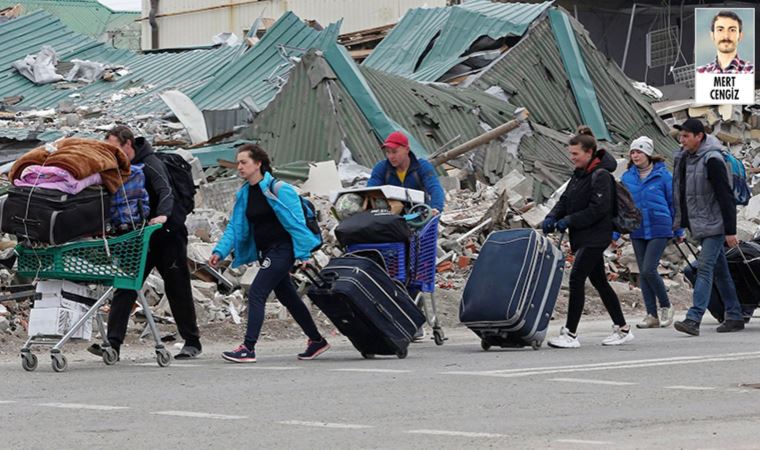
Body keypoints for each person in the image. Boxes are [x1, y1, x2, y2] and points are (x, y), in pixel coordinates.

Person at [89, 125, 202, 360]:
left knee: (177, 286)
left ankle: (192, 341)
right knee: (127, 285)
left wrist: (162, 216)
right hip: (138, 237)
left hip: (166, 234)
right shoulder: (121, 168)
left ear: (128, 144)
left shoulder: (151, 163)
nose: (112, 154)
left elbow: (166, 191)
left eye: (114, 148)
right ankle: (113, 344)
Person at [209, 144, 329, 363]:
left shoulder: (279, 189)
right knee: (288, 297)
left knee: (256, 293)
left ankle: (248, 347)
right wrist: (220, 250)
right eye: (238, 162)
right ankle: (317, 340)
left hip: (283, 250)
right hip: (266, 252)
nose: (239, 167)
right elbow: (235, 227)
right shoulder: (245, 193)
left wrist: (303, 255)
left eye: (244, 162)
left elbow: (297, 224)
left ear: (258, 164)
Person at [542, 126, 633, 348]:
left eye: (576, 154)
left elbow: (598, 210)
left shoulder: (601, 176)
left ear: (589, 152)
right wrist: (552, 217)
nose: (572, 158)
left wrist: (569, 220)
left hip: (596, 236)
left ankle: (570, 334)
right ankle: (623, 329)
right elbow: (565, 200)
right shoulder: (579, 175)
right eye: (571, 153)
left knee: (576, 279)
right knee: (599, 282)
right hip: (583, 236)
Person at [672, 118, 745, 336]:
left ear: (699, 137)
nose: (682, 140)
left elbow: (726, 197)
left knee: (704, 268)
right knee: (721, 272)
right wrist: (681, 224)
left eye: (686, 136)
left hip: (715, 224)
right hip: (699, 225)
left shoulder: (712, 160)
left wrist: (730, 230)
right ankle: (734, 315)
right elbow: (682, 193)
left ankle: (694, 318)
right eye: (681, 136)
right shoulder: (686, 159)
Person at [615, 136, 680, 329]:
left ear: (648, 154)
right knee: (643, 273)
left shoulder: (663, 175)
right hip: (638, 228)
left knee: (648, 269)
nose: (635, 155)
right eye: (633, 152)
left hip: (660, 226)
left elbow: (673, 203)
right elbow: (622, 208)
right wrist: (615, 234)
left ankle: (666, 306)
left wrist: (679, 228)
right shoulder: (627, 178)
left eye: (639, 152)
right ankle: (651, 314)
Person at [367, 131, 445, 214]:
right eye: (388, 152)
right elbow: (370, 191)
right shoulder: (381, 168)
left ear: (407, 149)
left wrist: (435, 208)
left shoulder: (422, 166)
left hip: (420, 214)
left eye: (394, 152)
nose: (391, 156)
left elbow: (435, 188)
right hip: (393, 216)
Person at [696, 10, 753, 74]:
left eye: (732, 30)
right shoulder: (700, 73)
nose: (726, 36)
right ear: (712, 35)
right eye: (720, 30)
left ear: (740, 36)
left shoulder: (751, 72)